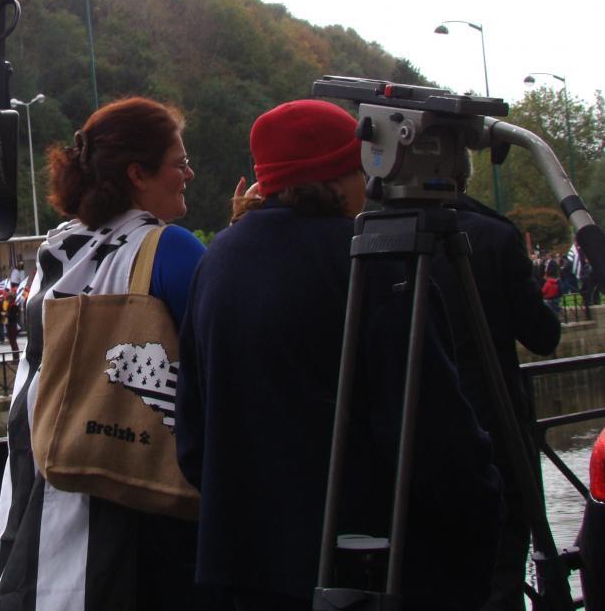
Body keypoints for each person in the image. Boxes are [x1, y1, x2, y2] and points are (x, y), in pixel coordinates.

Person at [176, 99, 502, 611]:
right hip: (364, 567)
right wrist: (483, 507)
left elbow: (192, 437)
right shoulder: (371, 259)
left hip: (245, 567)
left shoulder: (217, 259)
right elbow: (429, 433)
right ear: (341, 173)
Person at [0, 96, 208, 611]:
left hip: (42, 493)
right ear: (138, 174)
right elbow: (230, 347)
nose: (188, 173)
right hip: (141, 501)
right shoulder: (168, 248)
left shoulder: (56, 253)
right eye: (179, 162)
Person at [432, 187, 561, 611]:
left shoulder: (376, 235)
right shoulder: (492, 236)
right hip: (494, 422)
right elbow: (542, 336)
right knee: (502, 563)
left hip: (412, 435)